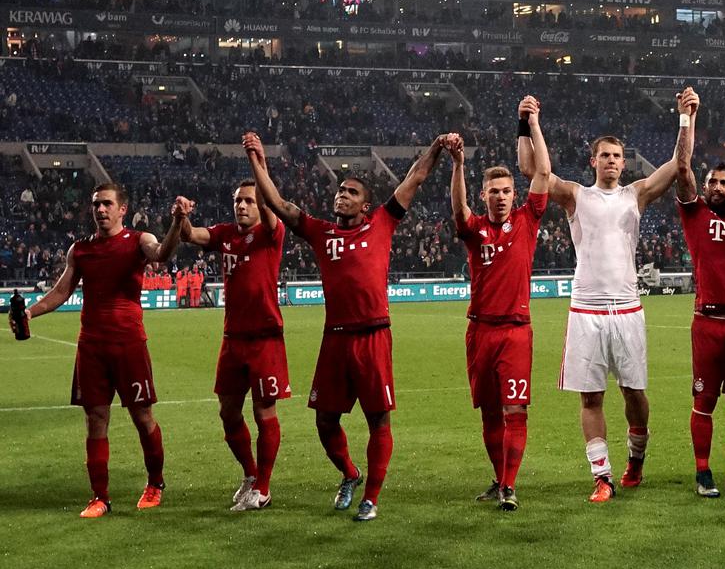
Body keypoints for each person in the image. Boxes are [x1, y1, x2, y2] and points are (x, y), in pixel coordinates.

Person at [244, 131, 448, 521]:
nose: (342, 194)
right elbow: (278, 203)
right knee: (324, 420)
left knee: (378, 420)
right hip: (335, 339)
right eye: (340, 190)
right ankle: (350, 474)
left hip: (373, 335)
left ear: (366, 204)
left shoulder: (383, 222)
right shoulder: (322, 232)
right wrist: (257, 158)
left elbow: (415, 179)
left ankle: (371, 497)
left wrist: (436, 147)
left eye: (352, 191)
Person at [519, 88, 691, 502]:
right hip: (586, 310)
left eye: (619, 156)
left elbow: (680, 165)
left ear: (623, 162)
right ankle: (602, 476)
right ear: (593, 160)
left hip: (627, 308)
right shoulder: (576, 194)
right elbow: (531, 170)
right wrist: (527, 123)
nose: (614, 161)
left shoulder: (637, 194)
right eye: (607, 155)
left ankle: (636, 460)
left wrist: (686, 118)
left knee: (634, 393)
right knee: (591, 396)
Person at [11, 183, 190, 517]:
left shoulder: (139, 240)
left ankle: (155, 483)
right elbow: (61, 291)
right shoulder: (80, 250)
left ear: (122, 209)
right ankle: (100, 497)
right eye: (96, 205)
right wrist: (30, 312)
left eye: (107, 204)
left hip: (129, 344)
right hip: (91, 346)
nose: (101, 210)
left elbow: (163, 254)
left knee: (142, 416)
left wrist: (178, 223)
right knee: (95, 419)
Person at [447, 94, 551, 512]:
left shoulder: (527, 220)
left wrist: (532, 123)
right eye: (494, 191)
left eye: (508, 191)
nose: (503, 197)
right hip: (480, 331)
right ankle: (498, 478)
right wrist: (457, 165)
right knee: (489, 412)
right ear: (484, 195)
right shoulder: (474, 230)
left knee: (515, 409)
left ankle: (509, 485)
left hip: (515, 332)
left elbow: (542, 170)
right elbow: (458, 208)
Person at [179, 164, 288, 511]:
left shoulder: (272, 232)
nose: (241, 206)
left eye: (248, 201)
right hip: (233, 338)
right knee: (228, 412)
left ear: (260, 205)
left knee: (263, 412)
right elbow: (190, 235)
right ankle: (251, 475)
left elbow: (271, 208)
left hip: (265, 337)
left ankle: (265, 488)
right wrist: (181, 215)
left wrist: (258, 162)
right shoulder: (225, 233)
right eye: (238, 201)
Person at [671, 91, 725, 497]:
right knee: (703, 401)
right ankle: (703, 471)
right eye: (714, 182)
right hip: (708, 322)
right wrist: (688, 118)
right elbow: (682, 167)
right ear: (705, 187)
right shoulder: (695, 213)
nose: (719, 187)